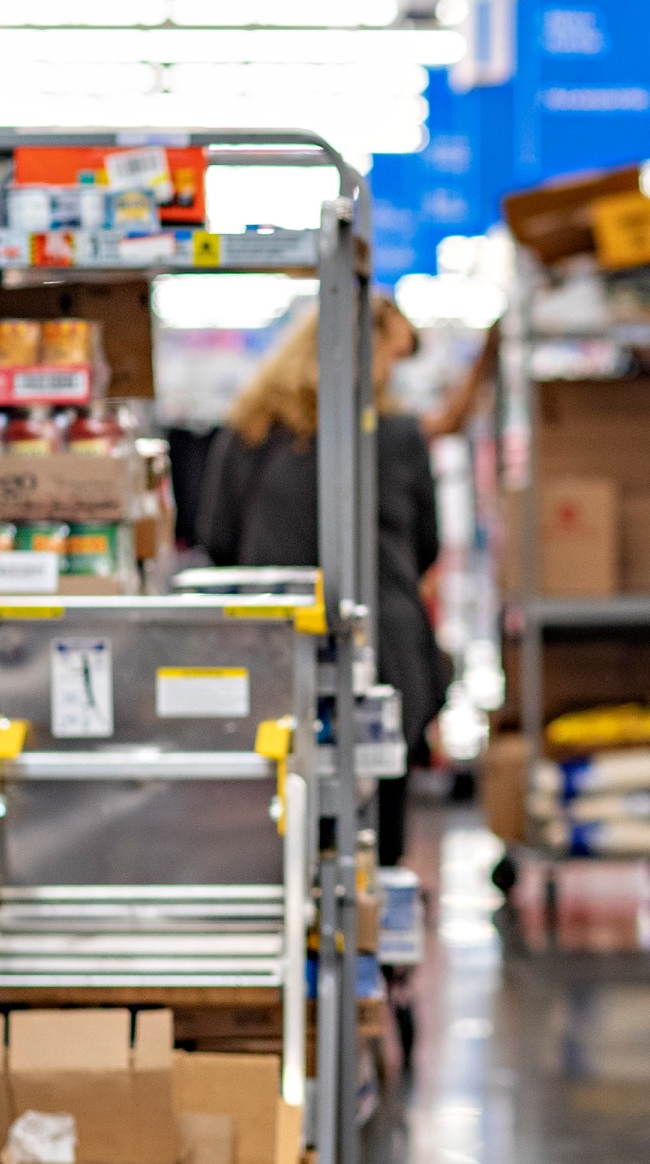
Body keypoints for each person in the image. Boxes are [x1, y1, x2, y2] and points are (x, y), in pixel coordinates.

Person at [198, 295, 450, 867]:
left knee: (275, 809)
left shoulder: (249, 431)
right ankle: (370, 935)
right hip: (382, 649)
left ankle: (295, 932)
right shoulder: (396, 437)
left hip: (274, 645)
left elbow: (216, 536)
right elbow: (427, 544)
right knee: (377, 818)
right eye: (390, 356)